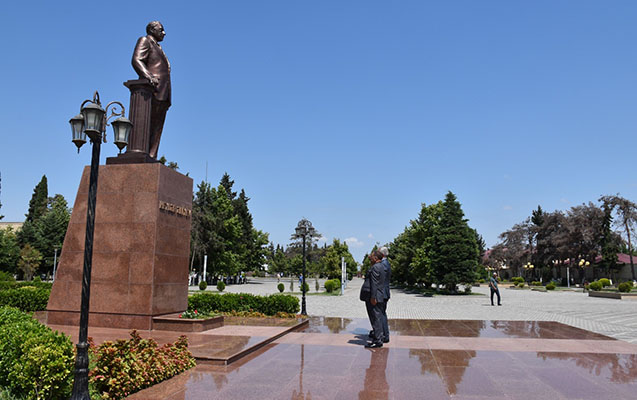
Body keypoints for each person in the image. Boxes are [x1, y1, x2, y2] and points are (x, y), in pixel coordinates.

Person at [132, 21, 171, 159]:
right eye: (161, 30)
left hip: (163, 92)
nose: (164, 33)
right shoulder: (145, 41)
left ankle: (152, 155)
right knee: (147, 124)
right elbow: (137, 60)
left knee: (157, 127)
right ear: (152, 30)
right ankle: (142, 154)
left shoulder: (159, 47)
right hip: (151, 89)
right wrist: (149, 77)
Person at [364, 251, 386, 348]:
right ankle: (378, 338)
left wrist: (373, 297)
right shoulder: (381, 266)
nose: (370, 257)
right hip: (379, 295)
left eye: (372, 256)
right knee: (377, 318)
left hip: (374, 297)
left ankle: (377, 341)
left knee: (375, 318)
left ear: (376, 258)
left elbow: (374, 283)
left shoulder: (376, 267)